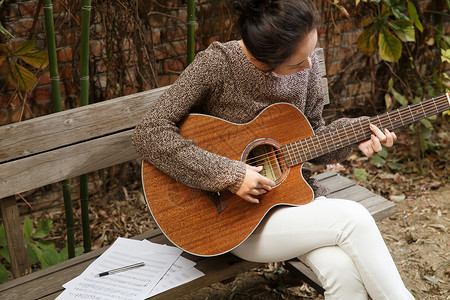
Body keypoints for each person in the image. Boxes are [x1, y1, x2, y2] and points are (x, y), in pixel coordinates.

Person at [132, 0, 414, 299]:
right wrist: (231, 174)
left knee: (342, 272)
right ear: (264, 57)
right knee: (354, 218)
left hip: (292, 199)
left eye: (311, 53)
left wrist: (356, 134)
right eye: (296, 64)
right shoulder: (217, 65)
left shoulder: (306, 62)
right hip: (232, 219)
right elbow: (149, 132)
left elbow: (313, 140)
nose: (308, 66)